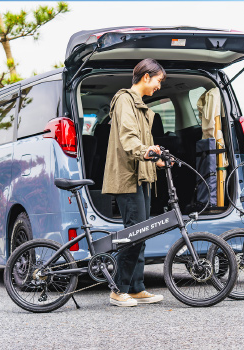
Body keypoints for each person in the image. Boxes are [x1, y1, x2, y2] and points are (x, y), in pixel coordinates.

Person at [102, 58, 166, 306]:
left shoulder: (140, 106)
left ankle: (137, 287)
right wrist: (146, 152)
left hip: (142, 176)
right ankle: (118, 290)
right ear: (146, 76)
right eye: (159, 81)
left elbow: (142, 144)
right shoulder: (125, 100)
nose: (159, 87)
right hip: (127, 178)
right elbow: (128, 139)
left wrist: (156, 159)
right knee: (134, 234)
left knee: (142, 233)